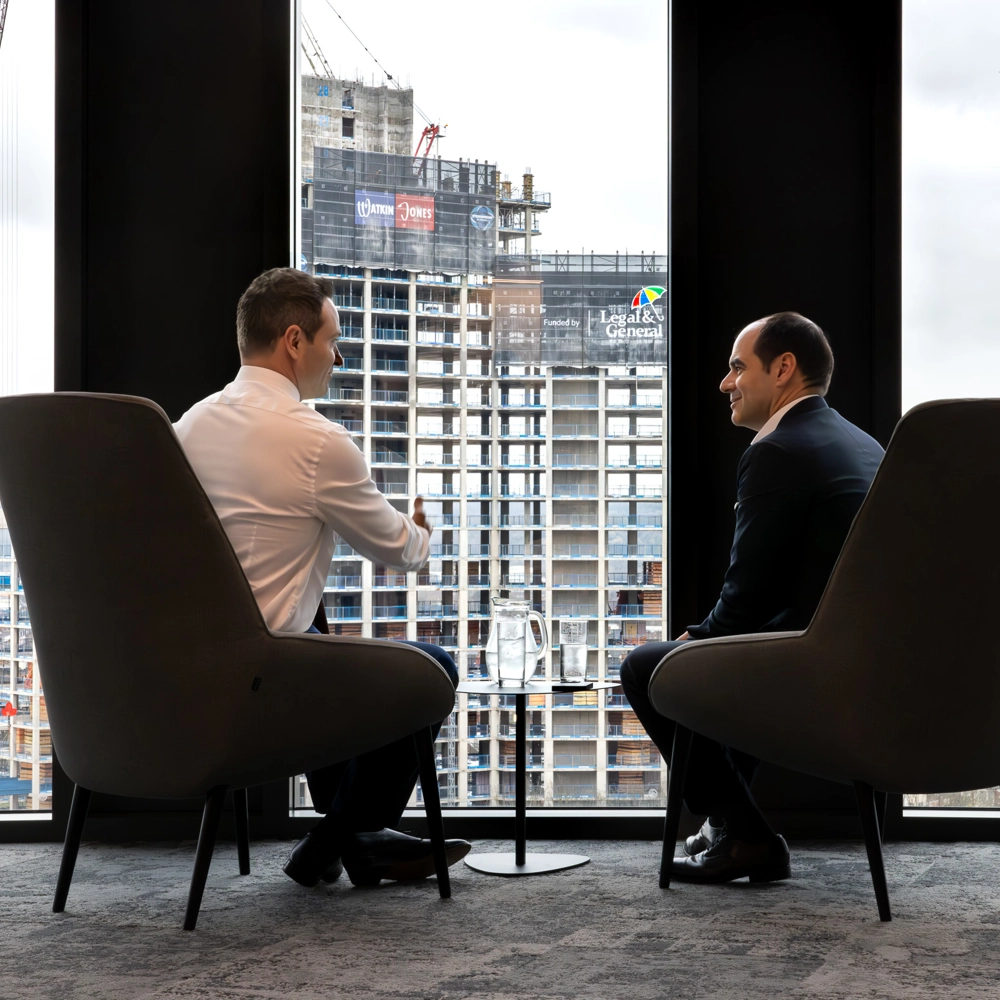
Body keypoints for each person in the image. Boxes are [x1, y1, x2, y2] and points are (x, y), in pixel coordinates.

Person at [173, 267, 470, 889]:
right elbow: (402, 553)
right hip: (266, 682)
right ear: (294, 341)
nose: (336, 356)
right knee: (432, 668)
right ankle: (335, 836)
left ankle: (359, 842)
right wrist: (420, 526)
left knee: (318, 618)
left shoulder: (187, 427)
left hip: (189, 675)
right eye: (332, 341)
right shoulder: (316, 441)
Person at [620, 311, 884, 884]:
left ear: (783, 368)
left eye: (738, 367)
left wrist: (698, 638)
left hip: (815, 662)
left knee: (646, 667)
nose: (725, 382)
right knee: (722, 660)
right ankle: (729, 825)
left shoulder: (779, 450)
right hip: (864, 658)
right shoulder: (861, 444)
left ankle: (746, 836)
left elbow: (746, 595)